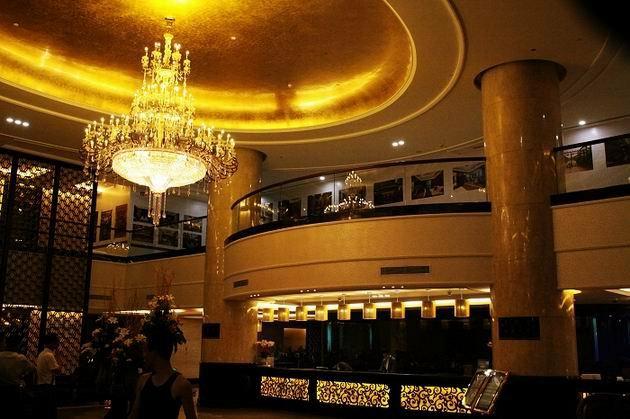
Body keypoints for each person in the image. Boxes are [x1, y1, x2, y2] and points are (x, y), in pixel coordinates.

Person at [128, 330, 197, 419]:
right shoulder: (143, 380)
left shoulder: (181, 384)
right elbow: (134, 414)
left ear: (154, 353)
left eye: (145, 351)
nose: (144, 355)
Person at [0, 332, 36, 418]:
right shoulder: (20, 358)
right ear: (17, 346)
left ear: (6, 344)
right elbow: (33, 369)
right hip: (14, 390)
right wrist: (23, 376)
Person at [36, 334, 61, 419]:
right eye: (57, 342)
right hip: (48, 387)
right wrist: (58, 355)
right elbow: (58, 371)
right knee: (50, 411)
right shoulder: (49, 355)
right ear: (52, 343)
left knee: (43, 411)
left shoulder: (41, 354)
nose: (58, 344)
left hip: (41, 386)